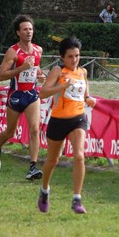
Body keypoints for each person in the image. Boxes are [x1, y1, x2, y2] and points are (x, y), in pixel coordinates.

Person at [37, 36, 97, 215]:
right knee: (53, 160)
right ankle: (44, 190)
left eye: (77, 56)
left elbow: (85, 94)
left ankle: (77, 198)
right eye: (70, 56)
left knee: (79, 155)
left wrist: (89, 99)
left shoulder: (83, 72)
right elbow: (42, 94)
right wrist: (61, 87)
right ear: (63, 57)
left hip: (78, 119)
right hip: (58, 121)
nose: (74, 60)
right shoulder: (58, 71)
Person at [0, 14, 45, 180]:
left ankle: (33, 167)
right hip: (16, 96)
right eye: (25, 29)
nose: (28, 32)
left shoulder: (38, 50)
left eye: (30, 29)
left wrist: (40, 75)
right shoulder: (13, 52)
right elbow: (1, 75)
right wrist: (21, 68)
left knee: (35, 129)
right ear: (18, 33)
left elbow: (36, 69)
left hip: (32, 95)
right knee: (10, 132)